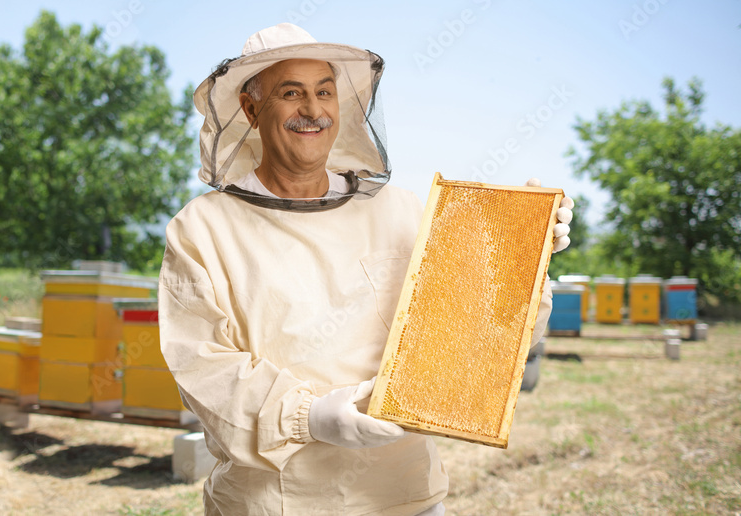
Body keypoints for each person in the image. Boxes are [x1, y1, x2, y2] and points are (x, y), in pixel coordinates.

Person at [158, 23, 573, 515]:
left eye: (324, 92)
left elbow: (476, 335)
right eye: (291, 93)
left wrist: (522, 259)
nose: (313, 110)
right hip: (277, 504)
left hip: (406, 496)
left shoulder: (400, 210)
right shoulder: (202, 229)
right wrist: (308, 416)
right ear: (251, 109)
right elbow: (202, 369)